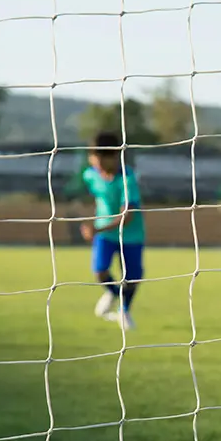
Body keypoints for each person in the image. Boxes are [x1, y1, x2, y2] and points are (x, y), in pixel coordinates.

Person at [80, 131, 144, 331]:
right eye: (93, 157)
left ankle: (124, 310)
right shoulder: (90, 175)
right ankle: (114, 294)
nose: (95, 162)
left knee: (132, 277)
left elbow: (128, 216)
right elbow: (99, 198)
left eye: (100, 158)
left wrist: (97, 227)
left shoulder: (127, 178)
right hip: (106, 234)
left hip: (131, 234)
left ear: (114, 156)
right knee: (100, 271)